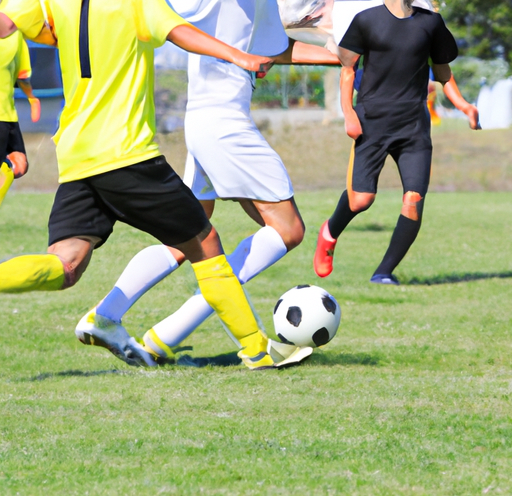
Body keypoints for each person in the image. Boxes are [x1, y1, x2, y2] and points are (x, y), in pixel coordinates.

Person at [0, 0, 284, 371]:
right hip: (126, 154)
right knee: (204, 243)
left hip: (76, 157)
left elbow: (9, 23)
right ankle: (257, 350)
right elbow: (179, 32)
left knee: (66, 264)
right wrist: (240, 57)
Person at [75, 0, 341, 367]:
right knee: (288, 229)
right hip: (225, 125)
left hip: (204, 121)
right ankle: (182, 336)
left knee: (186, 240)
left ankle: (107, 317)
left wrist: (344, 58)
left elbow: (276, 49)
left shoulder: (256, 6)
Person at [314, 0, 480, 284]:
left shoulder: (430, 23)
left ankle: (383, 273)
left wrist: (465, 106)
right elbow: (347, 69)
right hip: (372, 123)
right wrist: (349, 114)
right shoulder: (366, 20)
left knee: (413, 200)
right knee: (360, 200)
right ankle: (329, 232)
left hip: (413, 128)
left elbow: (443, 73)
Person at [0, 25, 40, 206]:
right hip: (3, 115)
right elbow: (23, 76)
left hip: (6, 115)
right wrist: (31, 96)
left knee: (18, 162)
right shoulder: (13, 27)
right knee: (17, 162)